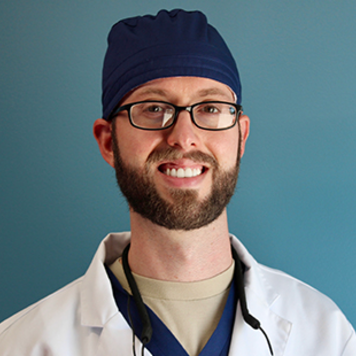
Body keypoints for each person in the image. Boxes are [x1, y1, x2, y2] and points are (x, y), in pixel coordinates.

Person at [0, 8, 355, 356]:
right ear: (109, 141)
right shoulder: (22, 345)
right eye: (154, 109)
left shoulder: (325, 335)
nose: (184, 137)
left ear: (241, 137)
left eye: (210, 108)